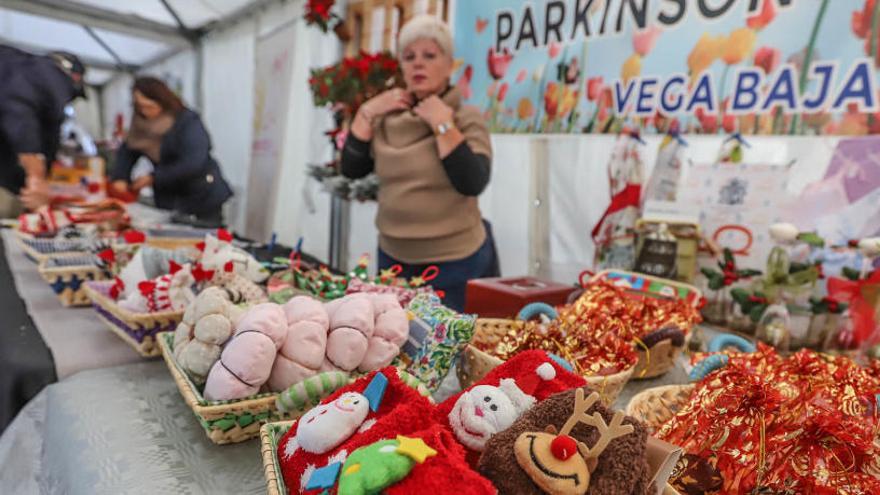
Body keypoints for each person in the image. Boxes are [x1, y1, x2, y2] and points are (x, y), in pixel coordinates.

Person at [341, 15, 499, 311]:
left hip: (455, 262)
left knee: (451, 352)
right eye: (409, 56)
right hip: (394, 259)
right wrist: (367, 111)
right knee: (396, 347)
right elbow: (352, 169)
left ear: (449, 65)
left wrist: (441, 123)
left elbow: (473, 182)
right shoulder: (388, 119)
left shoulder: (465, 118)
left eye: (429, 55)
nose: (418, 64)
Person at [111, 77, 232, 228]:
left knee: (202, 240)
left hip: (201, 195)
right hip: (169, 198)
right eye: (140, 107)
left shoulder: (187, 121)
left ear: (162, 101)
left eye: (149, 106)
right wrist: (120, 177)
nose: (144, 112)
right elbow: (128, 151)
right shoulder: (140, 125)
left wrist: (153, 177)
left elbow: (193, 162)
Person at [0, 46, 87, 216]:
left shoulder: (20, 67)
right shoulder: (50, 77)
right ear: (75, 78)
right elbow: (19, 111)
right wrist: (36, 177)